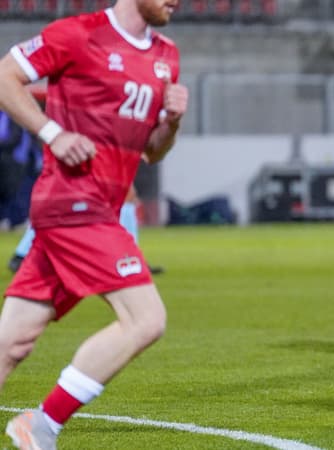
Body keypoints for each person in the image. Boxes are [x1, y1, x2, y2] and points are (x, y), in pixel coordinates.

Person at [0, 0, 188, 447]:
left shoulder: (167, 55)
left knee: (13, 341)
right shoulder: (78, 33)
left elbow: (152, 151)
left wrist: (173, 123)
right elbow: (5, 76)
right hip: (72, 204)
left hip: (98, 208)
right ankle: (41, 424)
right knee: (146, 320)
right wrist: (53, 133)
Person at [8, 185, 165, 274]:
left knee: (127, 193)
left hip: (97, 144)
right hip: (83, 144)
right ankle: (23, 254)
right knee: (62, 198)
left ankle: (130, 256)